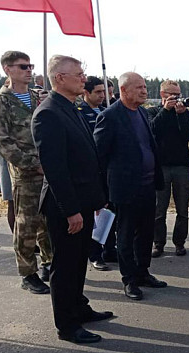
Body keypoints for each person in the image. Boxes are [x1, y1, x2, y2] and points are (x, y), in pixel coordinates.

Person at [32, 54, 112, 344]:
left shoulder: (71, 108)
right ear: (59, 79)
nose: (83, 78)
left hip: (83, 202)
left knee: (79, 261)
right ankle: (67, 325)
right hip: (65, 207)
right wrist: (71, 211)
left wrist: (96, 199)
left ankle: (79, 307)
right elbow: (56, 170)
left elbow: (86, 158)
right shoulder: (48, 113)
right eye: (77, 73)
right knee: (65, 267)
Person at [94, 72, 168, 301]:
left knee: (146, 233)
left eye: (145, 87)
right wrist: (102, 193)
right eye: (139, 87)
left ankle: (143, 272)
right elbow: (100, 157)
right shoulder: (111, 116)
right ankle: (129, 280)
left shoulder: (143, 113)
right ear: (124, 90)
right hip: (124, 188)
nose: (145, 91)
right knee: (125, 236)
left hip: (147, 185)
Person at [0, 50, 52, 293]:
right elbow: (1, 141)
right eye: (23, 66)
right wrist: (30, 163)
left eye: (30, 65)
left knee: (48, 220)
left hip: (48, 170)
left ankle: (49, 261)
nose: (29, 70)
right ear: (8, 69)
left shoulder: (37, 98)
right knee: (27, 224)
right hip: (26, 172)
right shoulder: (0, 102)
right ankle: (28, 272)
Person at [147, 80, 189, 258]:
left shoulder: (182, 112)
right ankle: (158, 243)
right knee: (160, 208)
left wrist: (182, 115)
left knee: (182, 208)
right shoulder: (152, 111)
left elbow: (188, 135)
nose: (176, 97)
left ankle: (179, 243)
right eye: (172, 94)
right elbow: (153, 130)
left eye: (178, 94)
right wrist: (166, 110)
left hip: (181, 165)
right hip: (161, 166)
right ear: (163, 95)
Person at [77, 76, 117, 271]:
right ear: (86, 92)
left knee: (110, 210)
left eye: (105, 92)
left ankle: (110, 248)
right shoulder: (79, 113)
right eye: (99, 92)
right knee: (95, 212)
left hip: (108, 169)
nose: (104, 95)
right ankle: (94, 252)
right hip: (90, 170)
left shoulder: (106, 111)